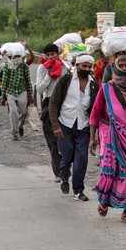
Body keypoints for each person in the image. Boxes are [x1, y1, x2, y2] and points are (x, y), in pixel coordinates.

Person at [89, 54, 126, 223]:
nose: (125, 68)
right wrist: (93, 138)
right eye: (123, 65)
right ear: (116, 67)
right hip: (109, 134)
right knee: (110, 171)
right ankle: (104, 201)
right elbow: (95, 113)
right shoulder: (106, 88)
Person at [49, 54, 98, 202]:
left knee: (81, 159)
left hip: (83, 127)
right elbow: (53, 103)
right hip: (65, 125)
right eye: (84, 66)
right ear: (77, 65)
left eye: (89, 66)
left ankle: (78, 190)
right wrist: (56, 126)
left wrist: (94, 133)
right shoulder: (66, 80)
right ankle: (64, 176)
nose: (87, 69)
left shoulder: (93, 84)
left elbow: (95, 109)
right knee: (67, 156)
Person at [36, 43, 67, 183]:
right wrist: (49, 75)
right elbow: (40, 89)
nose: (51, 57)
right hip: (48, 104)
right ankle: (58, 171)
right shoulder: (42, 68)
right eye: (48, 55)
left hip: (64, 105)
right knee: (52, 141)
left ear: (57, 54)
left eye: (53, 54)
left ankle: (66, 167)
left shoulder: (65, 68)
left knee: (65, 138)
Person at [1, 52, 34, 141]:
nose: (16, 58)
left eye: (18, 56)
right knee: (13, 112)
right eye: (15, 56)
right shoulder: (7, 66)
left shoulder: (24, 66)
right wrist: (3, 96)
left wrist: (30, 94)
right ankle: (14, 132)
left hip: (22, 91)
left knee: (23, 113)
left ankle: (20, 125)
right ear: (11, 57)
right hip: (10, 92)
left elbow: (28, 80)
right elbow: (4, 81)